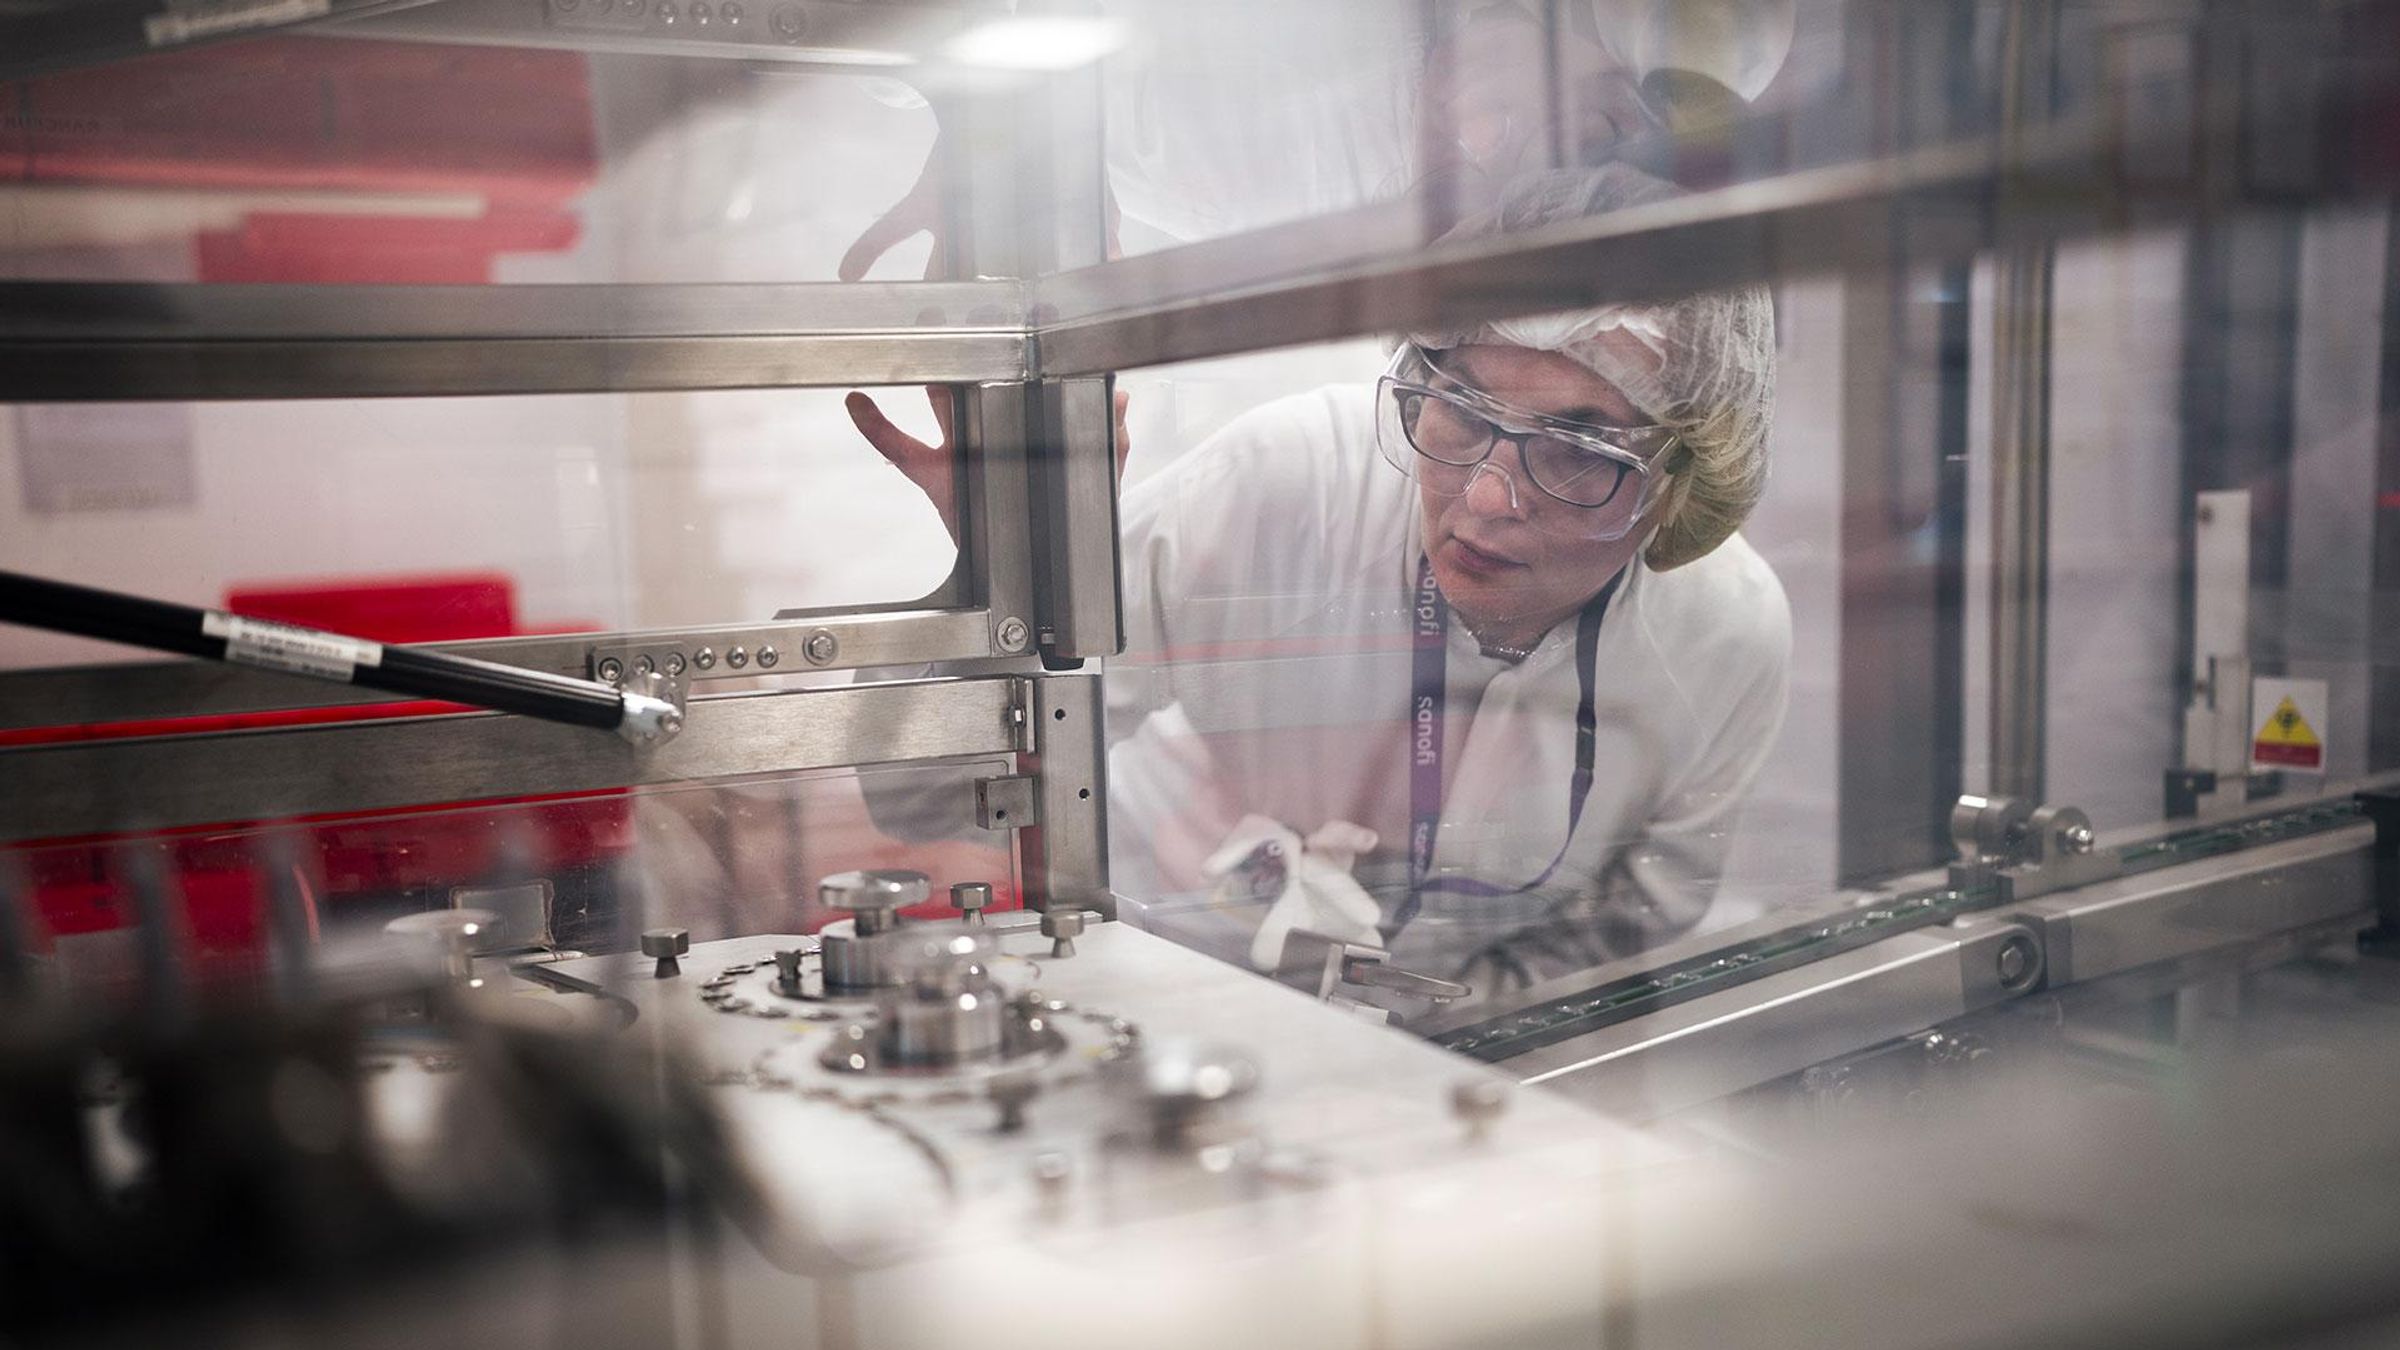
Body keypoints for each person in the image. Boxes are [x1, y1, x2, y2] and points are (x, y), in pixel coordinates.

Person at [851, 163, 1786, 1006]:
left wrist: (1440, 1037)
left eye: (1577, 450)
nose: (1487, 497)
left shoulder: (1722, 636)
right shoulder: (1290, 483)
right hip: (1166, 992)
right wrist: (1002, 576)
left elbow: (1627, 933)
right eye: (1461, 413)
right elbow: (923, 796)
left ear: (1680, 479)